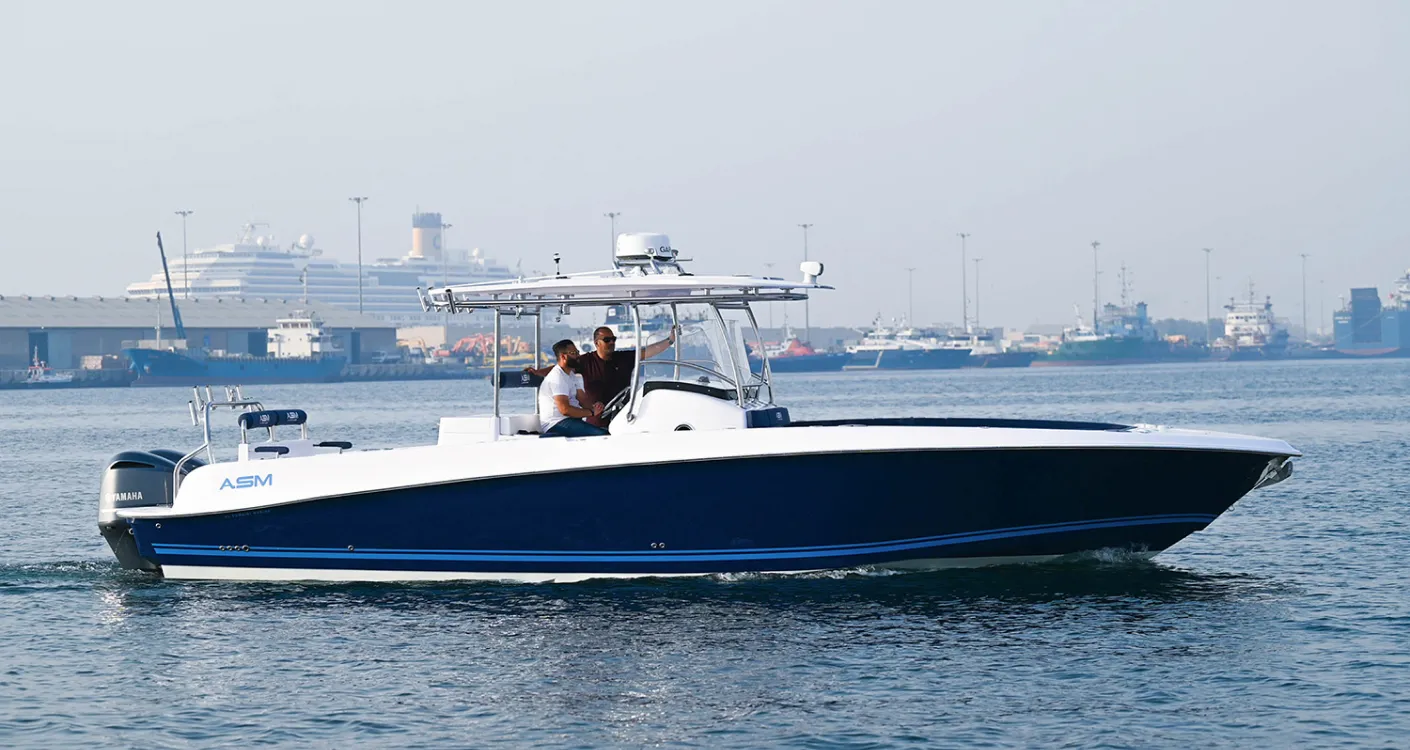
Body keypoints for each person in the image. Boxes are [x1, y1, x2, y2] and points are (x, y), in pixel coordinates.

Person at [527, 324, 678, 424]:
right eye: (607, 340)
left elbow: (649, 351)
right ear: (597, 343)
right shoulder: (585, 361)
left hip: (623, 416)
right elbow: (560, 367)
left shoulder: (623, 358)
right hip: (598, 417)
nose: (612, 342)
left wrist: (670, 340)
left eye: (613, 339)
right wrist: (538, 372)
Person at [537, 339, 609, 438]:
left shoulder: (570, 374)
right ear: (563, 356)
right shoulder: (557, 377)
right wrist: (591, 412)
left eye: (577, 352)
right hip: (556, 424)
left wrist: (595, 407)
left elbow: (582, 399)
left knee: (607, 430)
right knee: (603, 435)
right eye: (573, 353)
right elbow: (565, 410)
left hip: (570, 421)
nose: (578, 356)